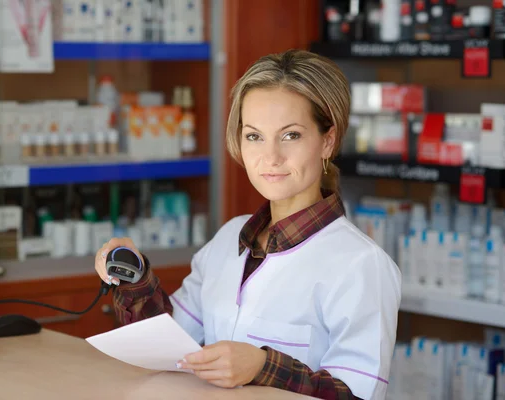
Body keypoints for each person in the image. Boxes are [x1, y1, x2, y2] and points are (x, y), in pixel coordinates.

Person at [94, 49, 401, 400]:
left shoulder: (361, 265)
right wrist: (135, 279)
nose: (270, 158)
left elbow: (357, 395)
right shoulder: (230, 238)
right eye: (254, 136)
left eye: (291, 135)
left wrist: (262, 366)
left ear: (327, 140)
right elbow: (168, 346)